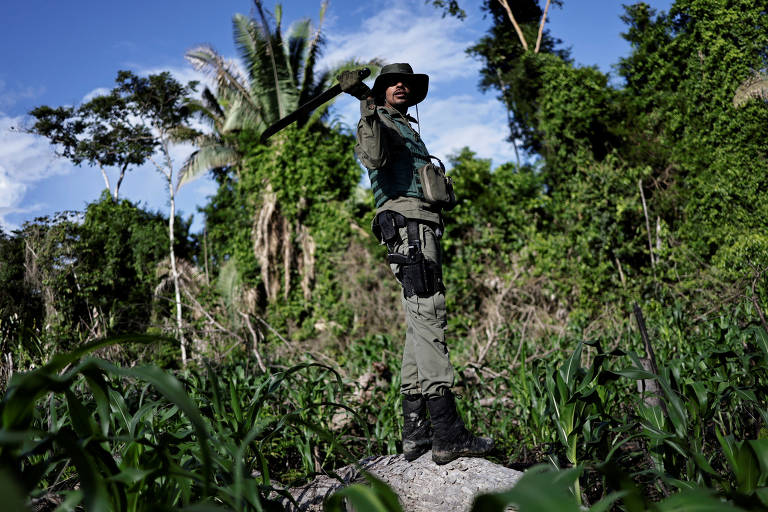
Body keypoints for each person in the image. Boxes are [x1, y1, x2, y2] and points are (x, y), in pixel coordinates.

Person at [338, 63, 493, 465]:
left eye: (406, 82)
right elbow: (371, 159)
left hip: (420, 227)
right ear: (381, 91)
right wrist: (364, 104)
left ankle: (416, 432)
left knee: (418, 324)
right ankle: (448, 433)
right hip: (408, 228)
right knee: (430, 315)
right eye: (392, 83)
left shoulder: (407, 127)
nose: (401, 86)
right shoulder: (379, 122)